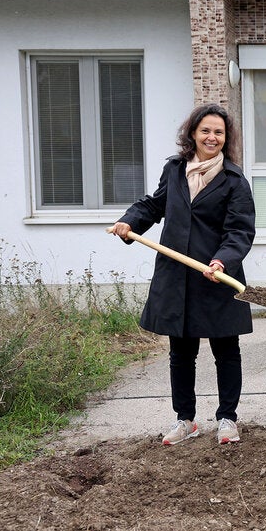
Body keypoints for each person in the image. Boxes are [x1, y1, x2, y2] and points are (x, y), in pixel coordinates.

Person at [109, 103, 255, 446]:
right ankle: (185, 419)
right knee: (181, 353)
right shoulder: (175, 170)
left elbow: (240, 231)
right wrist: (129, 221)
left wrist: (222, 261)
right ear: (193, 133)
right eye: (205, 130)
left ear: (226, 138)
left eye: (219, 132)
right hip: (177, 276)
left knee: (226, 351)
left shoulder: (234, 180)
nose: (212, 137)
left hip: (215, 276)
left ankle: (227, 419)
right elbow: (154, 204)